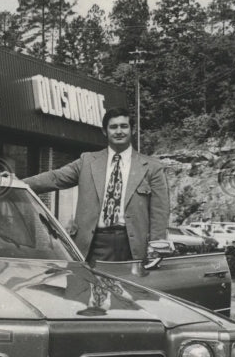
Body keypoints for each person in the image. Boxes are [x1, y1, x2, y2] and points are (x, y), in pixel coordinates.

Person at [23, 107, 169, 262]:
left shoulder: (153, 167)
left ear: (132, 130)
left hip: (133, 246)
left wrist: (157, 247)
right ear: (105, 131)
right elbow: (55, 177)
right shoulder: (87, 161)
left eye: (124, 126)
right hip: (91, 244)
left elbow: (159, 212)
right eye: (113, 127)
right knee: (88, 286)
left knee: (131, 286)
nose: (119, 131)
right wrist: (17, 182)